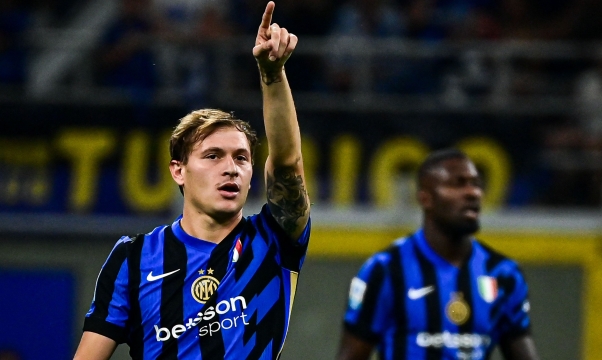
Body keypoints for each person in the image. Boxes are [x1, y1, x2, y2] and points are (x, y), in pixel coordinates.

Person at [74, 2, 310, 359]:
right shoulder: (133, 259)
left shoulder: (272, 239)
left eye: (241, 158)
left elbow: (288, 165)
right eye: (213, 156)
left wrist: (272, 75)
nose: (231, 168)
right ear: (178, 170)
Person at [336, 149, 539, 360]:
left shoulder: (503, 274)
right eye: (458, 184)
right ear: (426, 199)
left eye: (476, 184)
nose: (473, 193)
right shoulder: (386, 270)